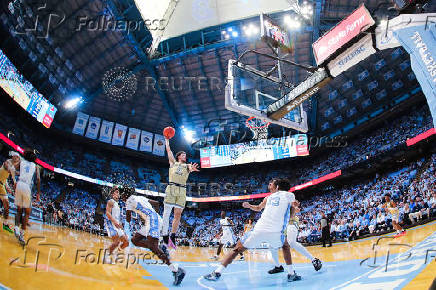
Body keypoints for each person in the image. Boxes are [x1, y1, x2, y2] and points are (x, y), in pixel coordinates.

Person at [203, 179, 301, 282]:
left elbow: (259, 208)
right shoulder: (287, 196)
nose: (269, 185)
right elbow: (290, 216)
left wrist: (249, 206)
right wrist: (295, 207)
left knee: (236, 249)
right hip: (276, 232)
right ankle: (291, 274)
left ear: (277, 187)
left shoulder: (271, 197)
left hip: (259, 230)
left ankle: (217, 272)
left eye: (271, 184)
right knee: (285, 246)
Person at [124, 192, 186, 286]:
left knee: (153, 248)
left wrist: (124, 227)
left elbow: (128, 218)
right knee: (135, 240)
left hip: (152, 221)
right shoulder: (139, 197)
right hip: (154, 219)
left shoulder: (128, 201)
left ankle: (176, 270)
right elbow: (156, 203)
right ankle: (156, 246)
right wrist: (154, 216)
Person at [162, 137, 199, 249]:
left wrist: (192, 168)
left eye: (185, 155)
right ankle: (164, 235)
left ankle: (172, 236)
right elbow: (169, 150)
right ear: (178, 156)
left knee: (177, 214)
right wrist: (167, 140)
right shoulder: (173, 163)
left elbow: (190, 168)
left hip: (182, 190)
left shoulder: (186, 166)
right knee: (167, 213)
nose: (185, 156)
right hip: (172, 187)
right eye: (183, 155)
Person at [268, 200, 322, 274]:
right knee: (271, 245)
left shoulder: (285, 201)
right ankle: (278, 266)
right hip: (282, 225)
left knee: (291, 242)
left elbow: (296, 209)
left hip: (291, 222)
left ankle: (313, 259)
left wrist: (294, 206)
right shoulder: (273, 204)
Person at [14, 149, 40, 246]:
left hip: (19, 184)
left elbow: (13, 169)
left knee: (19, 210)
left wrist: (15, 179)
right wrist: (38, 193)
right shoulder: (35, 166)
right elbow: (38, 179)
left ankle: (16, 228)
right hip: (26, 187)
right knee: (27, 212)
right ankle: (21, 234)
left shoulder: (21, 162)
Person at [104, 187, 128, 257]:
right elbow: (107, 213)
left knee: (126, 242)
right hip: (111, 223)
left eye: (118, 192)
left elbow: (117, 218)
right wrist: (114, 222)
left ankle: (115, 252)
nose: (118, 194)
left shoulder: (118, 204)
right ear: (112, 194)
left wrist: (122, 228)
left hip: (117, 224)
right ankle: (107, 254)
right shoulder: (110, 201)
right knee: (117, 241)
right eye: (117, 192)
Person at [0, 151, 20, 233]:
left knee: (7, 205)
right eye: (16, 157)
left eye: (18, 158)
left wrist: (7, 186)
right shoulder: (7, 162)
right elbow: (8, 170)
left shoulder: (13, 166)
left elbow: (5, 178)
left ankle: (5, 224)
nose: (17, 159)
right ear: (13, 157)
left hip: (1, 186)